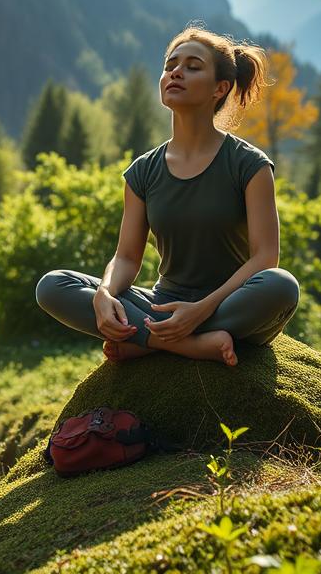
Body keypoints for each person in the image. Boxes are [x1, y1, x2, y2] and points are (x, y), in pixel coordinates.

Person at [35, 25, 301, 366]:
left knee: (281, 286)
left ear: (220, 88)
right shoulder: (143, 171)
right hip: (162, 304)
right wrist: (105, 292)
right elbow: (127, 258)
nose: (175, 72)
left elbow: (265, 258)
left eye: (193, 66)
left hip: (231, 302)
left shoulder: (249, 165)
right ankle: (188, 345)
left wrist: (200, 310)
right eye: (170, 65)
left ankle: (149, 341)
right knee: (53, 285)